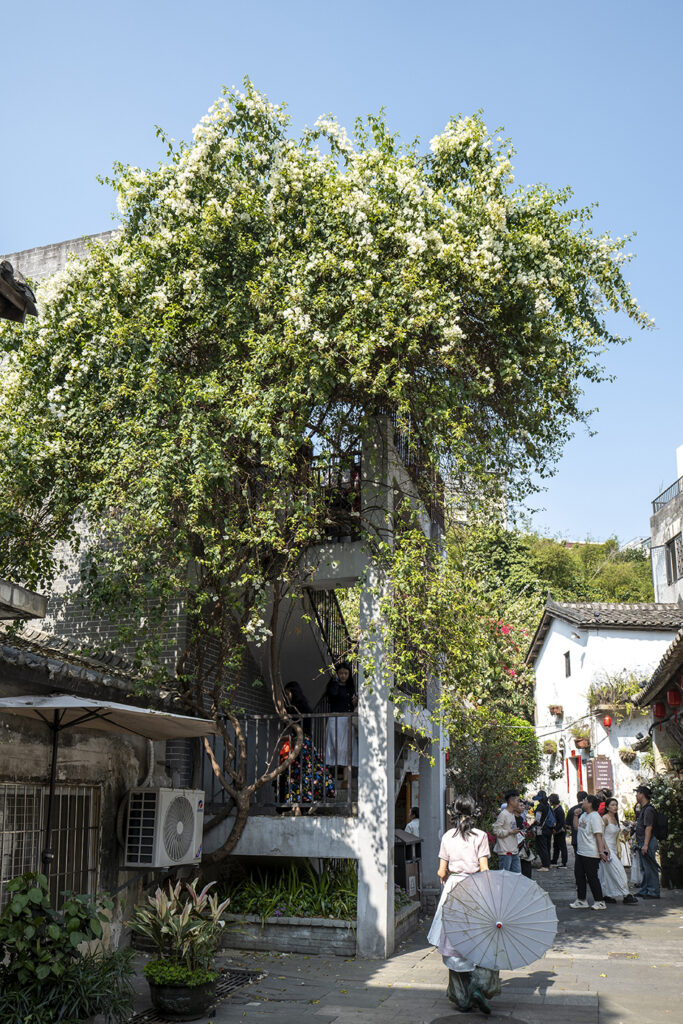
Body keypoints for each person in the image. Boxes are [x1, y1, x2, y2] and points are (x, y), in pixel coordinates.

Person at [428, 795, 501, 1015]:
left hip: (453, 887)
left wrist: (446, 876)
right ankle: (479, 985)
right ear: (475, 812)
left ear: (453, 813)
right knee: (481, 936)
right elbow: (484, 868)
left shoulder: (448, 836)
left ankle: (462, 997)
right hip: (475, 886)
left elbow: (442, 870)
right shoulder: (480, 836)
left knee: (454, 939)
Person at [570, 794, 609, 910]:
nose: (583, 803)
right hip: (581, 852)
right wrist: (576, 815)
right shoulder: (584, 815)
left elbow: (598, 835)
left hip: (591, 853)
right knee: (579, 876)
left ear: (590, 804)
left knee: (592, 877)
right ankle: (581, 900)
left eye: (585, 801)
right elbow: (576, 827)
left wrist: (601, 852)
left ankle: (600, 901)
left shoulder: (595, 817)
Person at [599, 798, 638, 904]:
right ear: (607, 807)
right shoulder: (605, 818)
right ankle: (626, 894)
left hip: (615, 849)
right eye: (612, 805)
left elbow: (619, 836)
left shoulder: (616, 819)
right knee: (620, 872)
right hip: (607, 849)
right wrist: (605, 849)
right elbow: (600, 835)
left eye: (616, 805)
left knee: (607, 874)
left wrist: (626, 831)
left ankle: (607, 895)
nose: (615, 807)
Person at [324, 662, 358, 776]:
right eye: (341, 673)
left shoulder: (350, 688)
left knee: (347, 747)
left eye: (346, 673)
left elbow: (352, 703)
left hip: (348, 720)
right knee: (336, 746)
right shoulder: (333, 686)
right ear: (337, 674)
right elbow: (333, 694)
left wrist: (355, 702)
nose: (343, 676)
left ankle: (345, 778)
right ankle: (332, 775)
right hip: (336, 719)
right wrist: (334, 681)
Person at [634, 785, 660, 899]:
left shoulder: (649, 809)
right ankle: (644, 890)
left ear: (642, 794)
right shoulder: (644, 808)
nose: (636, 796)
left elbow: (648, 827)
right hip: (642, 842)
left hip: (647, 842)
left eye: (637, 793)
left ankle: (653, 892)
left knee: (650, 868)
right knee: (644, 868)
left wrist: (645, 844)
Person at [492, 789, 524, 873]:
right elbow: (496, 830)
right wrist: (509, 832)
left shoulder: (512, 814)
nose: (518, 802)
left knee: (517, 876)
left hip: (514, 850)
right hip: (505, 852)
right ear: (511, 801)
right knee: (504, 878)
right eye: (517, 800)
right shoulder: (503, 814)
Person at [532, 790, 553, 870]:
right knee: (547, 846)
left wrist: (532, 826)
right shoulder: (547, 805)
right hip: (549, 829)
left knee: (542, 847)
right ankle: (548, 863)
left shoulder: (540, 806)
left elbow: (537, 819)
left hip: (541, 829)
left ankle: (545, 866)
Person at [549, 794, 568, 868]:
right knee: (556, 846)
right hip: (557, 831)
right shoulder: (555, 809)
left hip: (560, 831)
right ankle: (554, 860)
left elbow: (561, 822)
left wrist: (555, 829)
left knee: (562, 846)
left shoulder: (559, 810)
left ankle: (564, 862)